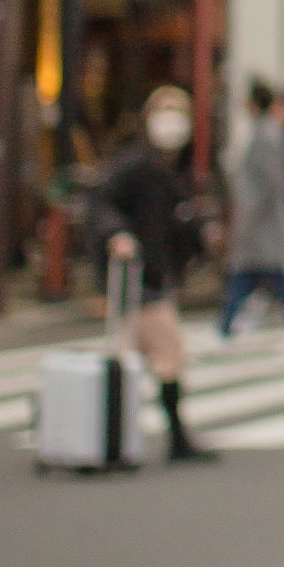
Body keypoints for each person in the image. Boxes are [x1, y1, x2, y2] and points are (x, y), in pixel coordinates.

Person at [90, 85, 218, 466]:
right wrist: (117, 234)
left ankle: (126, 438)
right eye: (165, 112)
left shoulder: (174, 168)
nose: (172, 122)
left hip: (153, 274)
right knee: (163, 355)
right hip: (137, 277)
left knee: (146, 357)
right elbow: (101, 202)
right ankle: (165, 438)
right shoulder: (135, 164)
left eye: (179, 113)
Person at [219, 82, 284, 340]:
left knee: (264, 276)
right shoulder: (266, 131)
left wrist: (247, 220)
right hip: (263, 225)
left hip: (263, 225)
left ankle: (225, 328)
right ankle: (225, 327)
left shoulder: (265, 135)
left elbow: (269, 183)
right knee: (258, 277)